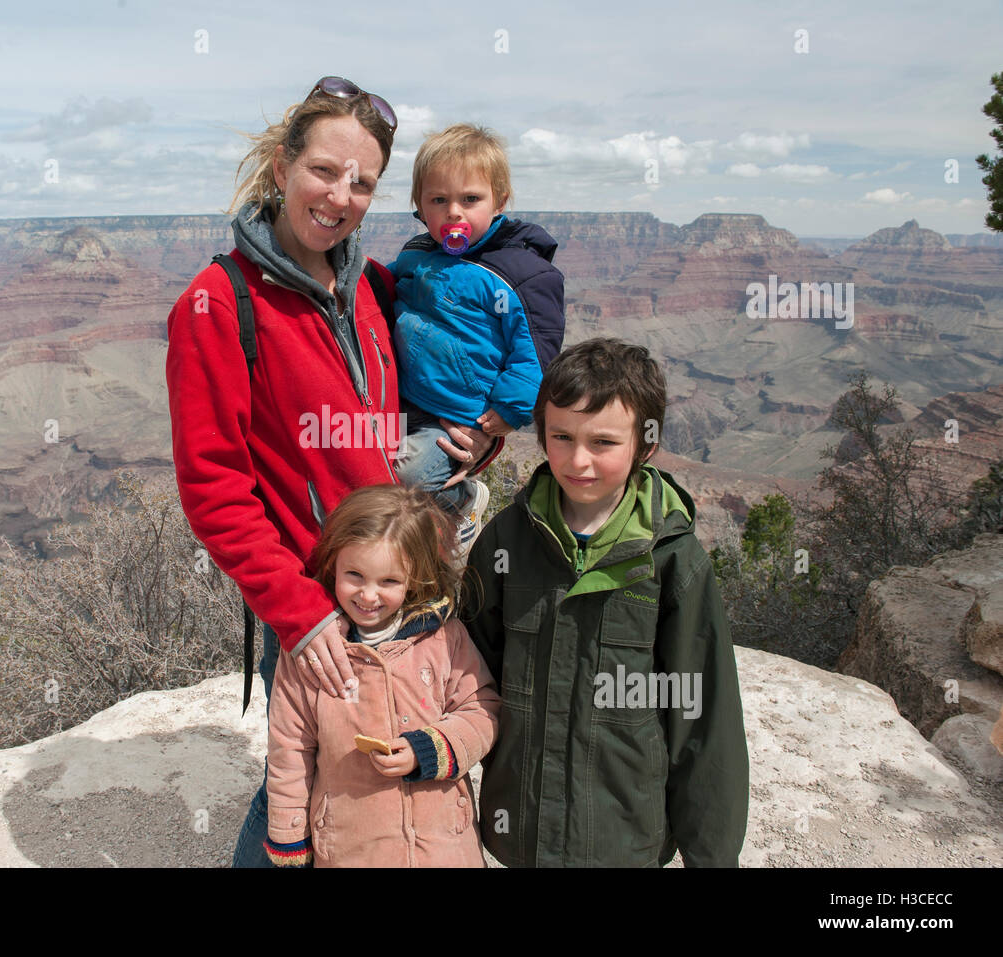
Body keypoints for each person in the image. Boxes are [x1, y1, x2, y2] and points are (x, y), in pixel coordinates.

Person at [165, 78, 495, 867]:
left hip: (407, 583)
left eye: (362, 182)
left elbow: (425, 403)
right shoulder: (217, 305)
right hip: (321, 602)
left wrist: (481, 433)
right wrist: (298, 611)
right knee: (305, 778)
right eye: (323, 170)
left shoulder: (371, 286)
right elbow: (213, 487)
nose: (340, 195)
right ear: (281, 167)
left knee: (389, 777)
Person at [462, 337, 749, 867]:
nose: (578, 460)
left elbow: (705, 725)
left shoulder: (673, 562)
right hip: (520, 829)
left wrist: (713, 857)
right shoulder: (506, 543)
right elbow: (466, 679)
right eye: (561, 436)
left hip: (621, 840)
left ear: (645, 445)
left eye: (603, 443)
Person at [263, 484, 499, 867]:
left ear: (415, 578)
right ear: (332, 565)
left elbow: (483, 708)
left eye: (388, 581)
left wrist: (431, 748)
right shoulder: (311, 653)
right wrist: (289, 836)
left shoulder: (442, 638)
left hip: (443, 850)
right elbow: (290, 746)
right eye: (354, 575)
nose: (368, 596)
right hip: (351, 849)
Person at [389, 123, 565, 551]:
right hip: (405, 403)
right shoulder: (415, 254)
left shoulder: (522, 273)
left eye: (470, 199)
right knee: (355, 461)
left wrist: (509, 410)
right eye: (438, 200)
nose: (454, 212)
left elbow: (536, 351)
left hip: (465, 420)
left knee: (409, 474)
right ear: (420, 206)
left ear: (499, 200)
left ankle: (461, 502)